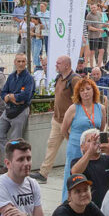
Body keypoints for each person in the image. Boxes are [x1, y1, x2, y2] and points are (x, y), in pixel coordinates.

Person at [33, 55, 77, 184]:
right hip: (57, 120)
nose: (56, 65)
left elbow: (80, 100)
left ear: (67, 65)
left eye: (58, 63)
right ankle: (43, 173)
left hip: (70, 122)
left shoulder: (74, 80)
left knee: (73, 148)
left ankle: (75, 173)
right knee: (51, 146)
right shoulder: (59, 78)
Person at [61, 77, 108, 197]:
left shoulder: (100, 108)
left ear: (94, 90)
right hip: (76, 147)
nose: (85, 92)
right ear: (78, 93)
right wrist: (73, 141)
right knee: (72, 175)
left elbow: (101, 128)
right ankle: (68, 201)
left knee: (92, 174)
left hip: (92, 147)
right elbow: (64, 129)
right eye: (82, 90)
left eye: (88, 89)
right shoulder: (73, 108)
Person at [0, 53, 35, 173]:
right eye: (19, 61)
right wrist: (10, 97)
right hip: (8, 109)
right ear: (15, 62)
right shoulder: (11, 76)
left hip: (21, 110)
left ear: (26, 63)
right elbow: (3, 92)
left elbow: (25, 95)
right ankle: (10, 159)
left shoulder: (29, 78)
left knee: (16, 139)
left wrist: (11, 96)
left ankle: (12, 166)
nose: (21, 64)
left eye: (23, 61)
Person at [69, 128, 109, 208]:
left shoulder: (107, 159)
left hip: (107, 203)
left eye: (97, 140)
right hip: (87, 205)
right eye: (89, 141)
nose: (94, 143)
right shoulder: (76, 161)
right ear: (82, 146)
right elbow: (75, 172)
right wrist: (90, 152)